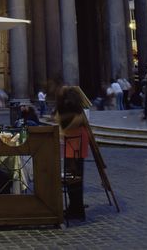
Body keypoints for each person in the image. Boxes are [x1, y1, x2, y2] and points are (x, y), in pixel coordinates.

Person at [56, 87, 91, 221]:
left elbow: (64, 126)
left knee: (73, 177)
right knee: (73, 178)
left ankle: (77, 209)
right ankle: (75, 207)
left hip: (74, 144)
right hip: (74, 143)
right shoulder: (76, 112)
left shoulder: (73, 113)